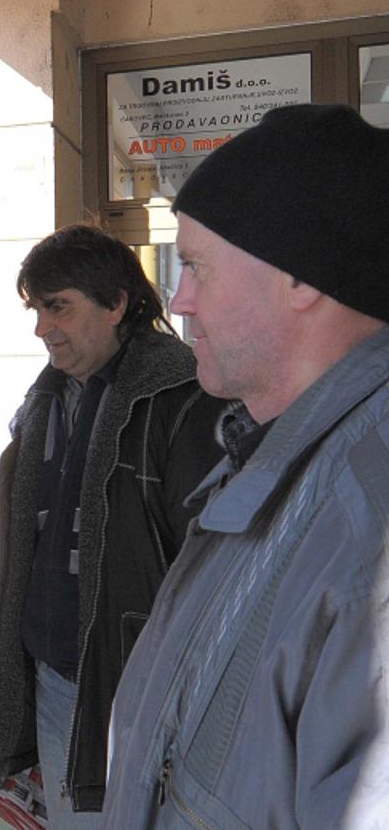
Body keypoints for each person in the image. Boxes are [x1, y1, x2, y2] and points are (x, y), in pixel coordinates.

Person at [102, 103, 389, 828]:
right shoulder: (269, 452)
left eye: (196, 264)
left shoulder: (371, 530)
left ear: (303, 277)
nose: (178, 299)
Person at [0, 225, 225, 826]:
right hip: (56, 680)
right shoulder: (46, 400)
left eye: (58, 307)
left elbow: (213, 565)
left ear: (115, 305)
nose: (41, 328)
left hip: (144, 690)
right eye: (36, 309)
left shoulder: (186, 398)